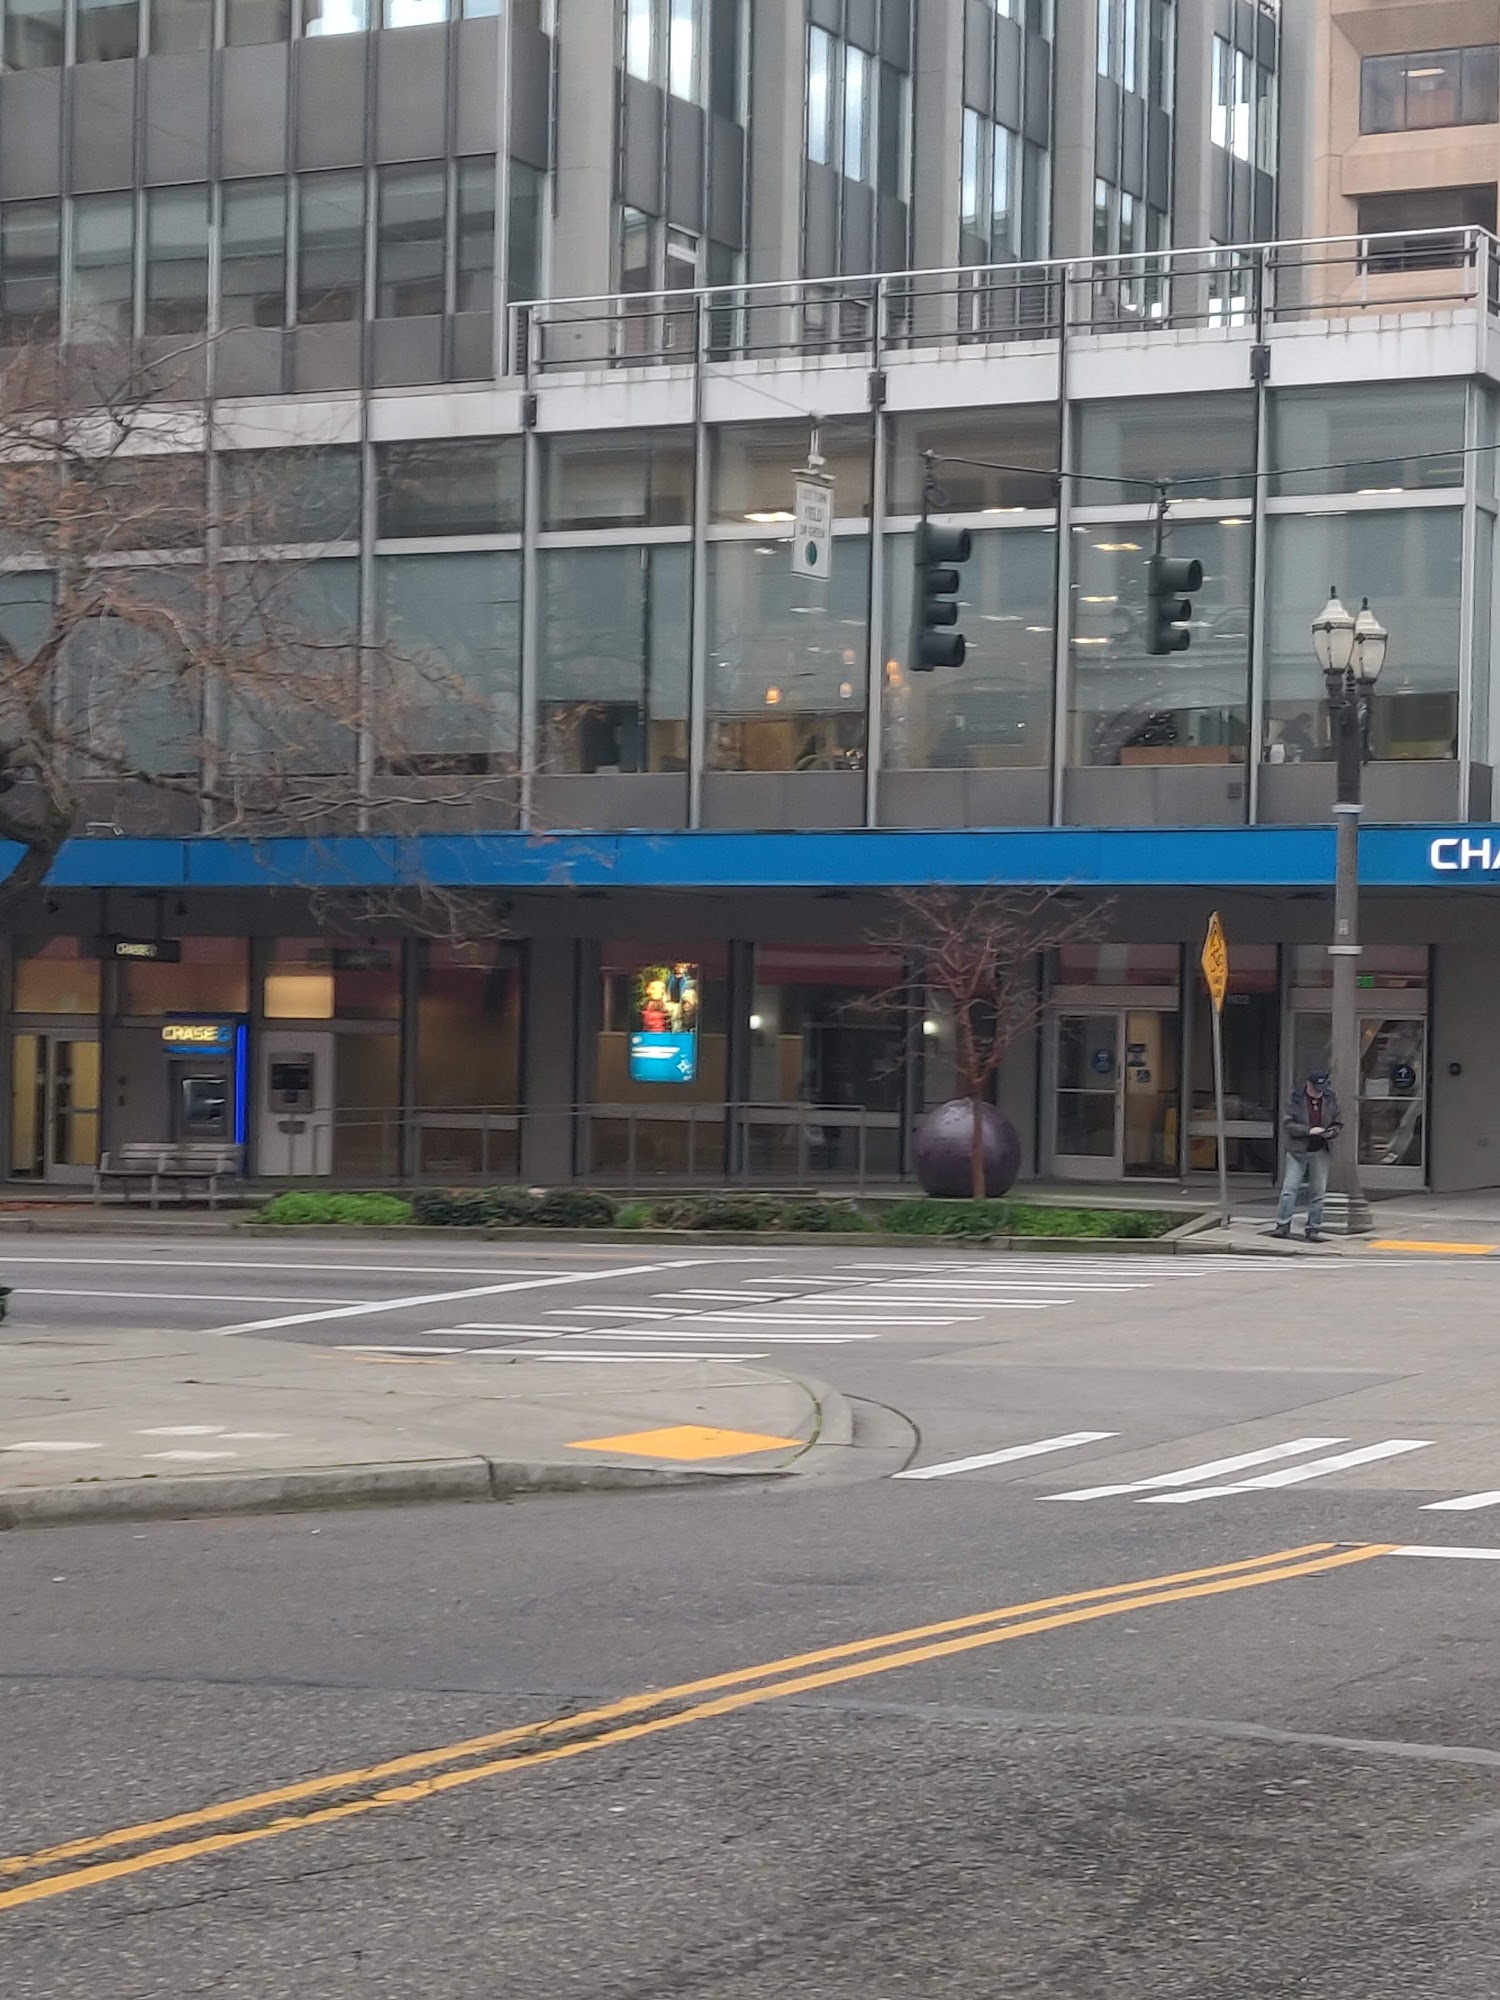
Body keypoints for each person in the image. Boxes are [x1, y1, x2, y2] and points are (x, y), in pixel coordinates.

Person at [1272, 1069, 1343, 1242]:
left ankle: (1313, 1228)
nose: (1319, 1092)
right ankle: (1282, 1224)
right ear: (1308, 1084)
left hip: (1320, 1148)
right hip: (1298, 1149)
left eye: (1322, 1088)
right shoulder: (1296, 1099)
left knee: (1318, 1191)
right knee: (1289, 1188)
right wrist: (1308, 1131)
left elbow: (1338, 1121)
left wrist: (1331, 1132)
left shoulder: (1329, 1099)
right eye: (1316, 1088)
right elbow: (1288, 1123)